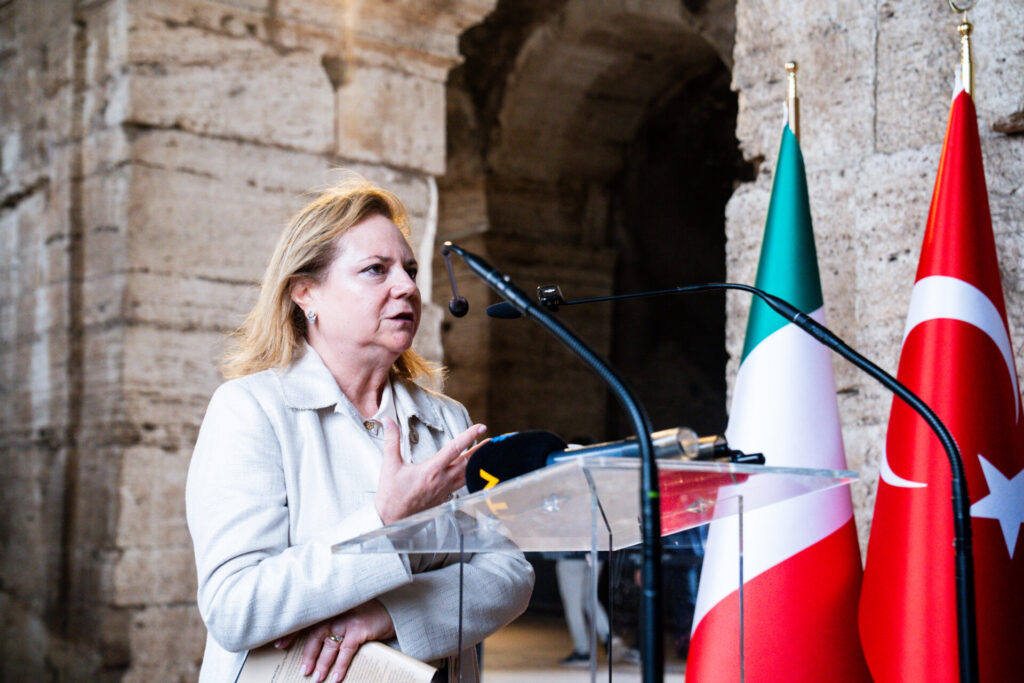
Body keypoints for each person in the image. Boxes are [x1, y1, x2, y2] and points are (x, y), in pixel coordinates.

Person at [186, 178, 534, 683]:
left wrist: (391, 615)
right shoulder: (249, 409)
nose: (407, 287)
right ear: (306, 293)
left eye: (410, 270)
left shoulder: (447, 418)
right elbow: (235, 607)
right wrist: (383, 520)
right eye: (376, 270)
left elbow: (509, 575)